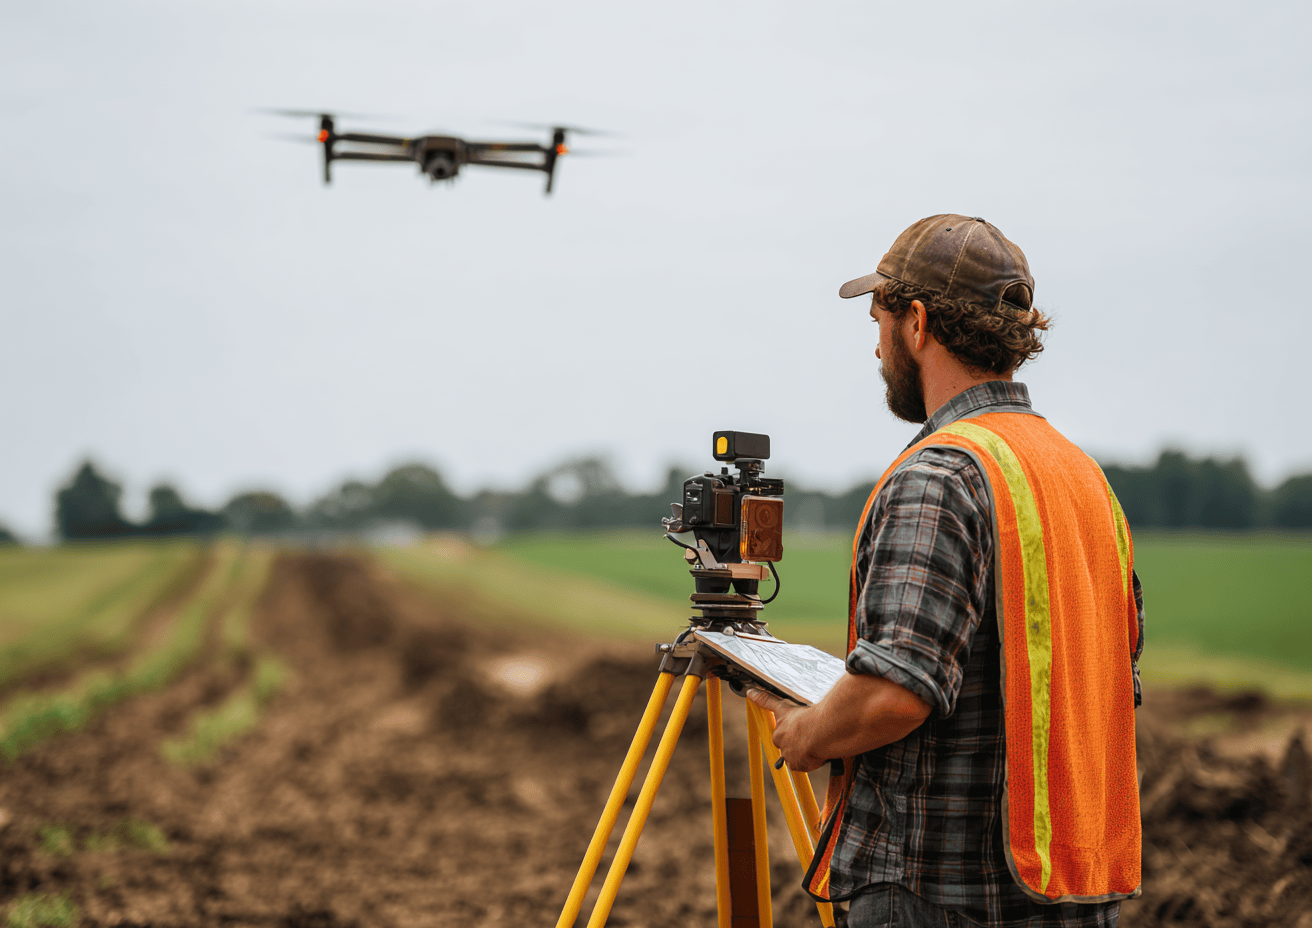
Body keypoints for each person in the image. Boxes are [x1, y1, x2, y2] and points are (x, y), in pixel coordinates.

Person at [747, 215, 1144, 928]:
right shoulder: (1083, 480)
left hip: (940, 892)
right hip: (1070, 888)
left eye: (878, 319)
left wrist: (807, 734)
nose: (874, 346)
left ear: (918, 323)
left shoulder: (940, 476)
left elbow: (895, 693)